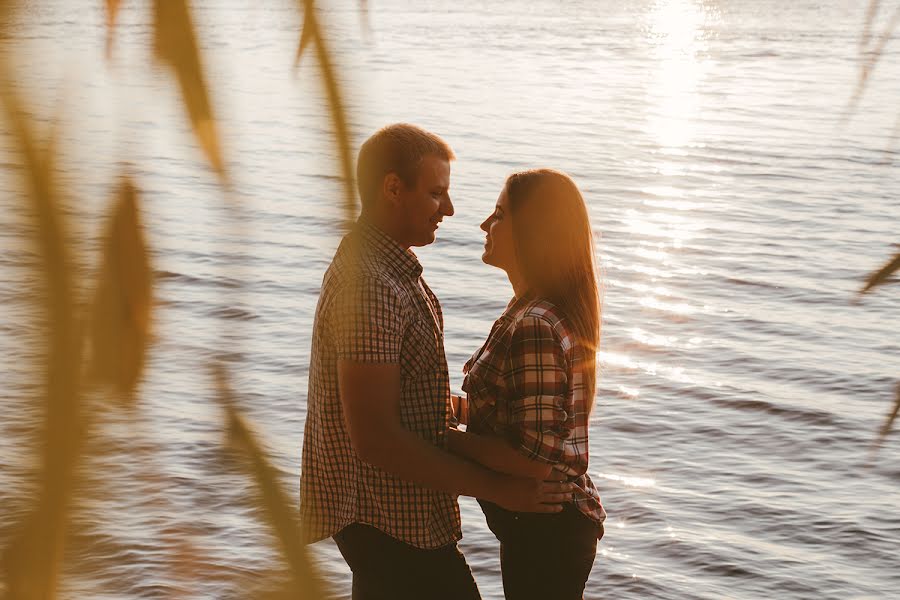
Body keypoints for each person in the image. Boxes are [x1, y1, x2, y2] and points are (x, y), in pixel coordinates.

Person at [299, 125, 575, 600]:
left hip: (398, 517)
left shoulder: (392, 273)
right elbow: (377, 439)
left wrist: (469, 414)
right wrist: (499, 488)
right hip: (385, 518)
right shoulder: (371, 286)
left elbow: (399, 398)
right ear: (392, 188)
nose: (449, 210)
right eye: (435, 194)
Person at [448, 169, 606, 600]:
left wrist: (444, 439)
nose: (484, 224)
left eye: (498, 214)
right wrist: (459, 410)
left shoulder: (535, 323)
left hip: (548, 531)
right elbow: (525, 417)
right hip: (544, 529)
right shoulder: (535, 310)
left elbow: (533, 457)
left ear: (533, 231)